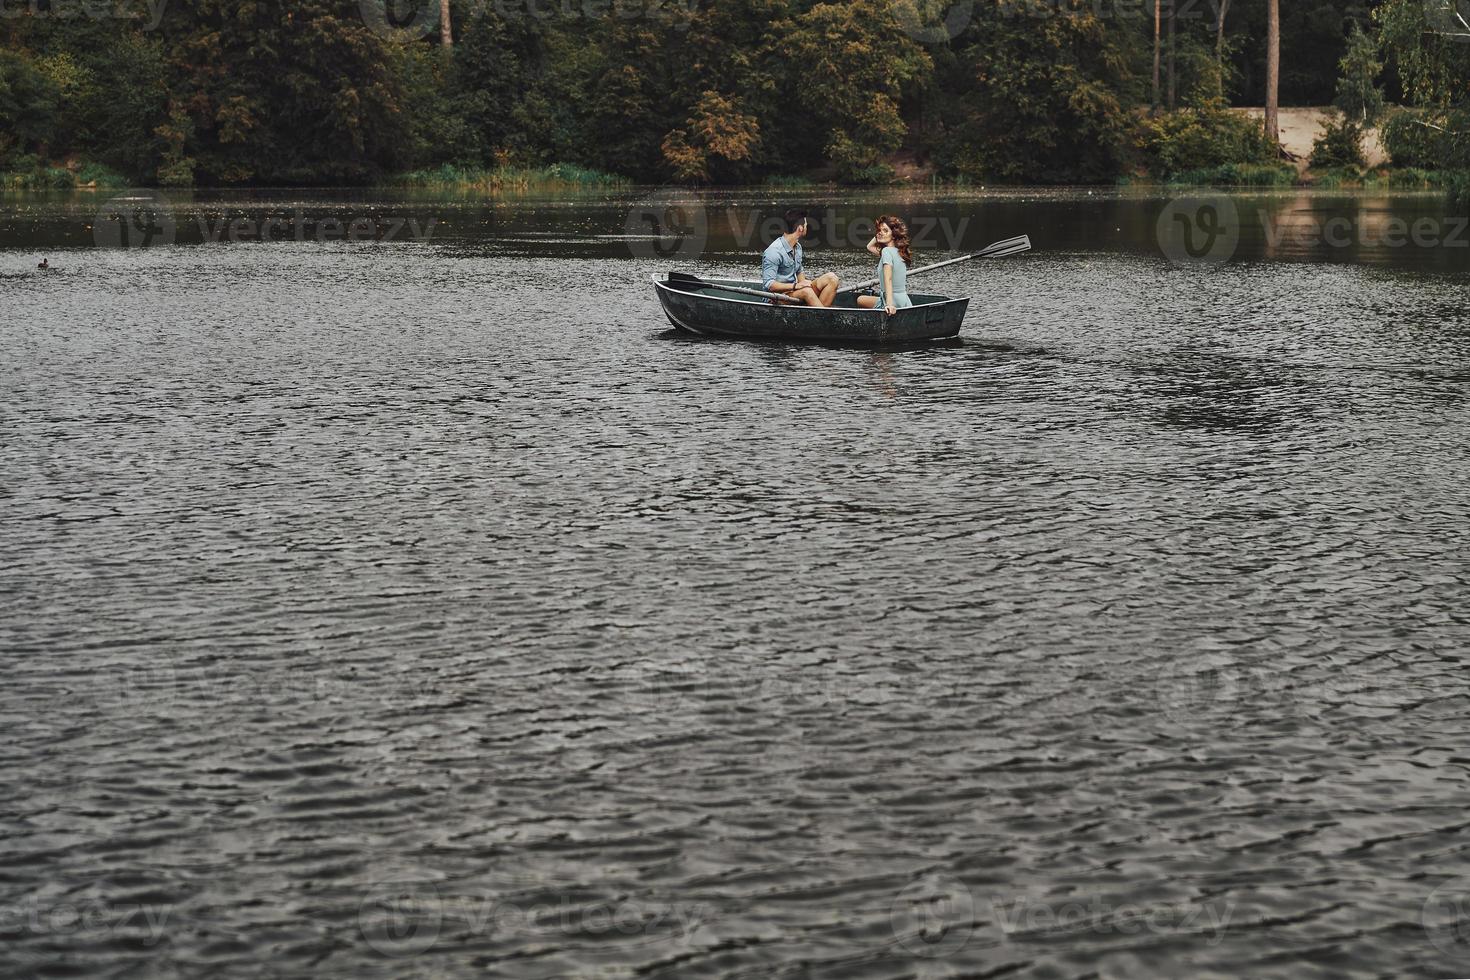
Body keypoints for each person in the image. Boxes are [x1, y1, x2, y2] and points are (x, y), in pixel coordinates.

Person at [761, 209, 839, 307]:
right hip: (776, 298)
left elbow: (799, 272)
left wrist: (805, 284)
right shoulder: (773, 251)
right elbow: (769, 284)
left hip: (794, 292)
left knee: (832, 278)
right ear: (800, 228)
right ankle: (823, 318)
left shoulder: (797, 247)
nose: (807, 227)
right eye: (806, 225)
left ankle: (817, 315)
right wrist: (796, 286)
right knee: (807, 291)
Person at [857, 215, 914, 315]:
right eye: (879, 230)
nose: (880, 232)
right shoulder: (900, 252)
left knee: (860, 299)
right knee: (864, 299)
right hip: (903, 299)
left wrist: (889, 304)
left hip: (892, 301)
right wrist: (880, 234)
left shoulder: (886, 252)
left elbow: (889, 279)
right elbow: (869, 247)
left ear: (893, 235)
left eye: (885, 230)